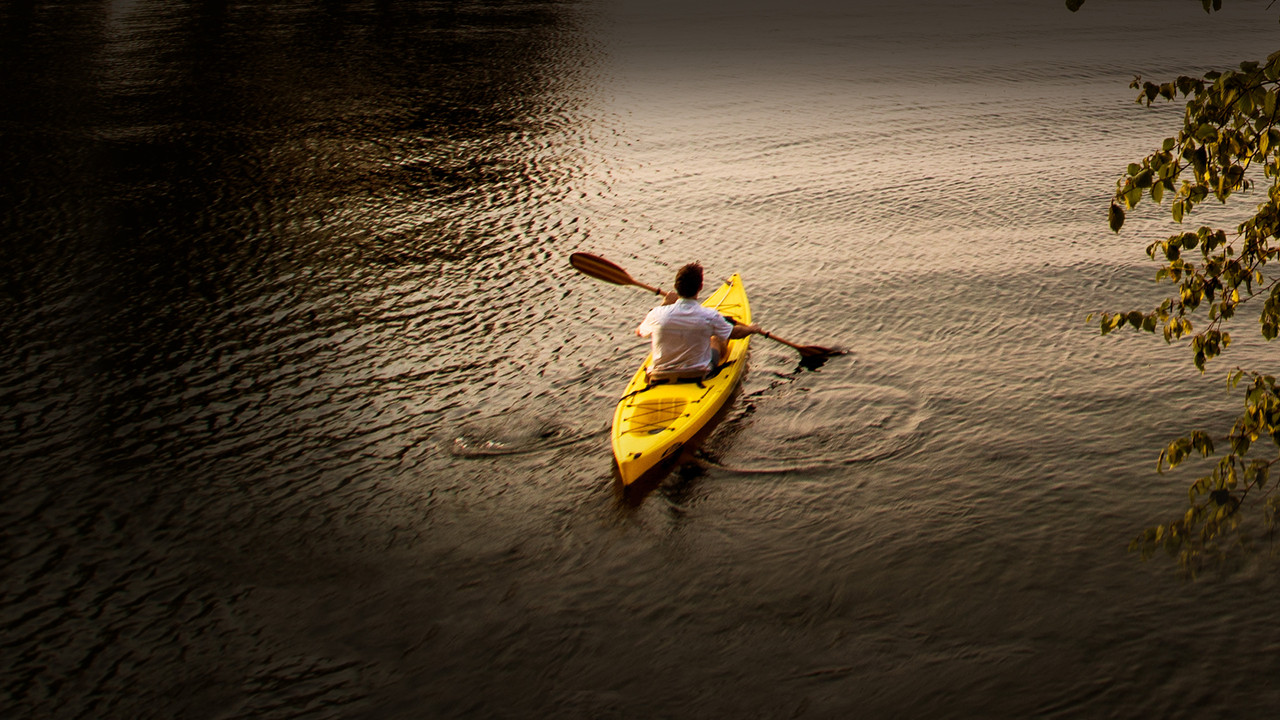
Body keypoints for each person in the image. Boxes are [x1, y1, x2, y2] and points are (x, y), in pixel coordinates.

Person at [636, 262, 761, 381]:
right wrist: (751, 329)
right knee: (715, 338)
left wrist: (665, 304)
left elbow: (639, 332)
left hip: (659, 374)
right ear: (700, 287)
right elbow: (735, 333)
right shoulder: (709, 316)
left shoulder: (657, 314)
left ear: (675, 287)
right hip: (698, 374)